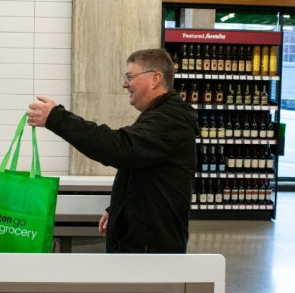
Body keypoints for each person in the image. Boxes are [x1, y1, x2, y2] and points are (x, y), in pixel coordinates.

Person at [27, 48, 199, 253]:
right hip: (143, 244)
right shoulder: (160, 116)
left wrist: (57, 119)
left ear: (155, 78)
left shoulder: (170, 121)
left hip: (151, 253)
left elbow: (120, 148)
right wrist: (118, 210)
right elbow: (140, 169)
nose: (125, 84)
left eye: (130, 76)